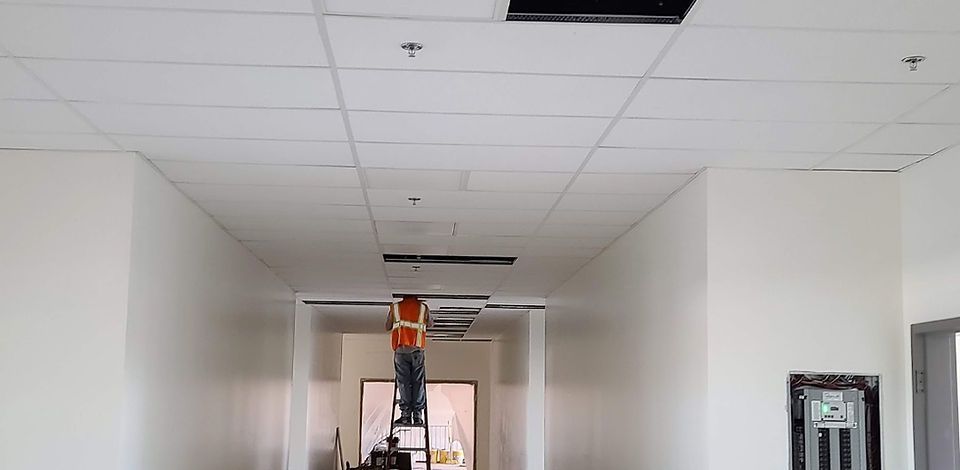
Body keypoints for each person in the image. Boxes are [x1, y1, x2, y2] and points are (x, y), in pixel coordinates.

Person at [385, 295, 433, 425]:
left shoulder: (395, 308)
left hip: (400, 350)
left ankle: (405, 415)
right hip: (417, 349)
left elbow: (387, 326)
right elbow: (430, 324)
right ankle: (417, 415)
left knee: (403, 382)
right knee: (418, 382)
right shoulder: (423, 308)